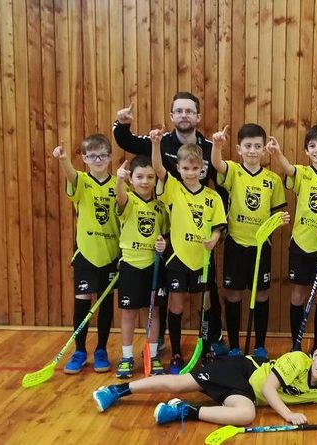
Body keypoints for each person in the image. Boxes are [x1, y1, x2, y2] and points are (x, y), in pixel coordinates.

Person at [113, 92, 228, 358]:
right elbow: (128, 142)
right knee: (167, 291)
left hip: (201, 232)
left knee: (208, 292)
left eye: (190, 111)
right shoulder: (162, 141)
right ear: (172, 116)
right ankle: (164, 342)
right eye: (179, 111)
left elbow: (221, 179)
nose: (184, 115)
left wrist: (218, 232)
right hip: (167, 227)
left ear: (198, 117)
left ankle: (213, 339)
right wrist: (122, 124)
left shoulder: (209, 147)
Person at [92, 340, 317, 426]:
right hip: (243, 371)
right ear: (314, 354)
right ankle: (117, 390)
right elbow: (268, 388)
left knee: (246, 414)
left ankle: (183, 411)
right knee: (179, 384)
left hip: (246, 394)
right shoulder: (297, 360)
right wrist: (289, 415)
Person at [151, 128, 227, 374]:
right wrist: (155, 144)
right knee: (176, 305)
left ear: (202, 169)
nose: (191, 172)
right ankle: (176, 354)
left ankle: (205, 350)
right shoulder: (174, 188)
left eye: (195, 168)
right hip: (178, 258)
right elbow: (159, 169)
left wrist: (214, 239)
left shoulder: (213, 197)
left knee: (205, 304)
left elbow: (219, 227)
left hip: (202, 259)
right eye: (185, 168)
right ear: (179, 168)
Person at [211, 124, 289, 358]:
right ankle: (235, 346)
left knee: (261, 295)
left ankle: (260, 346)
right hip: (236, 244)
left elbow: (277, 212)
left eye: (257, 146)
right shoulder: (233, 171)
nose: (252, 150)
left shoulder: (273, 180)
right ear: (239, 149)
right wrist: (217, 145)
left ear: (264, 149)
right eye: (247, 146)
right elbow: (217, 164)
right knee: (233, 295)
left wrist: (280, 220)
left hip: (261, 247)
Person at [267, 125, 317, 352]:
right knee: (297, 295)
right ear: (306, 151)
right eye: (312, 146)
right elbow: (288, 168)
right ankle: (296, 345)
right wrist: (277, 153)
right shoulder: (303, 173)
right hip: (300, 244)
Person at [51, 135, 120, 374]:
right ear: (84, 159)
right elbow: (71, 175)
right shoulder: (80, 180)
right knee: (82, 300)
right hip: (86, 253)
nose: (98, 160)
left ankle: (101, 350)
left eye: (102, 155)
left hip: (111, 253)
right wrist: (64, 160)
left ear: (110, 157)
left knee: (105, 302)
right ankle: (79, 351)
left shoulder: (118, 184)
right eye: (92, 156)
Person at [113, 155, 169, 378]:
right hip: (131, 266)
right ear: (131, 179)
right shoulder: (128, 200)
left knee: (152, 313)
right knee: (128, 313)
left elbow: (165, 235)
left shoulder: (160, 207)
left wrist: (163, 244)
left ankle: (152, 355)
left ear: (156, 180)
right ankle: (127, 357)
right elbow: (120, 198)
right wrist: (119, 181)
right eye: (139, 177)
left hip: (153, 267)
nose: (145, 181)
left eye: (150, 177)